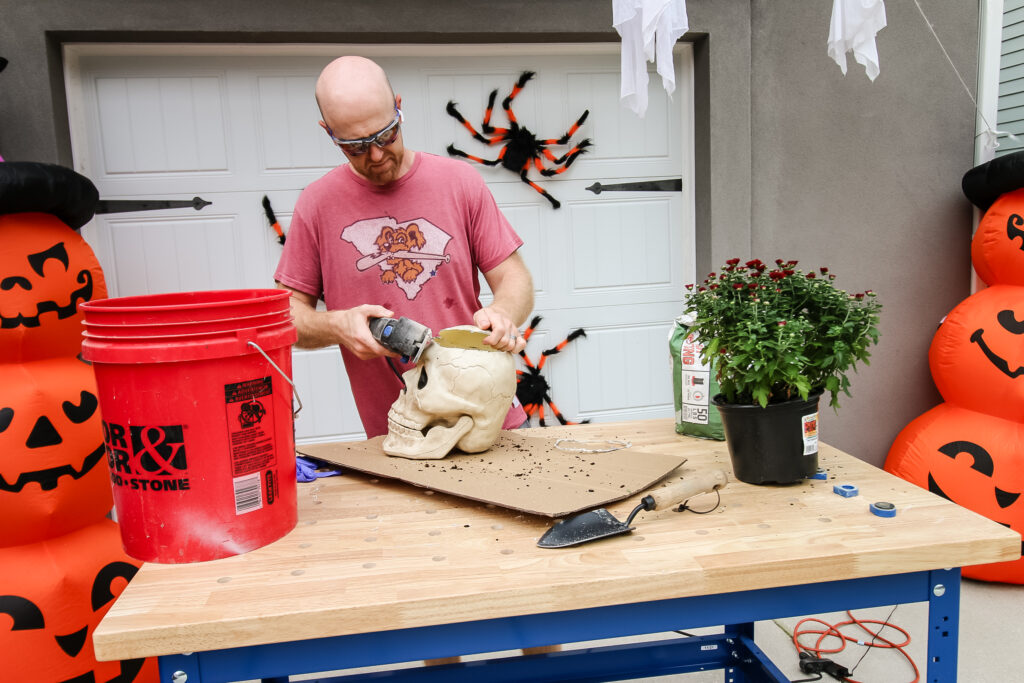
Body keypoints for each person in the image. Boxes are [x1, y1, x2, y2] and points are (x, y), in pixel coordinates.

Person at [274, 56, 533, 437]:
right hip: (399, 435)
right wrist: (336, 325)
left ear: (398, 106)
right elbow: (285, 317)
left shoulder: (459, 182)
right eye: (356, 146)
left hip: (489, 423)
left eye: (386, 136)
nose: (376, 157)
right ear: (327, 131)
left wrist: (503, 312)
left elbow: (515, 277)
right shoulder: (316, 205)